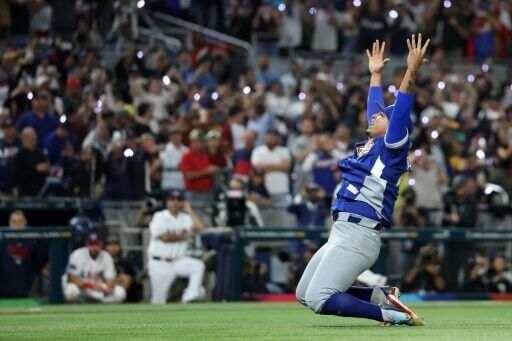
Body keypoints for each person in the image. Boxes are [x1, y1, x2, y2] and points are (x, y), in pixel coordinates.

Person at [296, 36, 430, 326]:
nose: (374, 115)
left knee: (321, 298)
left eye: (382, 116)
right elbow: (375, 107)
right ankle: (381, 295)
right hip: (342, 230)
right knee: (305, 294)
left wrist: (411, 72)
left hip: (360, 234)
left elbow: (401, 108)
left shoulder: (393, 146)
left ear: (394, 126)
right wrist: (376, 74)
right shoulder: (374, 142)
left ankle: (393, 316)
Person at [147, 190, 205, 304]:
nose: (175, 202)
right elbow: (165, 238)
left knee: (198, 266)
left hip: (178, 261)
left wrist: (189, 210)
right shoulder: (159, 216)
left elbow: (200, 228)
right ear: (167, 202)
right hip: (160, 263)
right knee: (158, 301)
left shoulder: (186, 218)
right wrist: (185, 235)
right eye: (172, 199)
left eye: (178, 200)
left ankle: (190, 296)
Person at [62, 230, 126, 303]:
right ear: (87, 244)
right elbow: (72, 278)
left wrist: (109, 288)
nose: (94, 247)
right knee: (71, 291)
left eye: (96, 244)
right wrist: (91, 286)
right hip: (82, 288)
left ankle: (101, 307)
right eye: (91, 244)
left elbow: (110, 279)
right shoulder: (77, 255)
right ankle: (77, 308)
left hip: (99, 288)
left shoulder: (106, 256)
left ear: (101, 244)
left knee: (120, 293)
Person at [0, 210, 47, 298]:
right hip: (4, 287)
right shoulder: (2, 241)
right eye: (14, 221)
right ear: (9, 223)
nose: (17, 224)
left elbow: (40, 262)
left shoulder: (35, 240)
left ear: (25, 222)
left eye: (20, 221)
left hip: (28, 286)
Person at [250, 129, 291, 207]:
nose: (270, 138)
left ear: (278, 138)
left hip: (281, 190)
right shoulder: (258, 151)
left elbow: (286, 167)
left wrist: (265, 166)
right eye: (268, 136)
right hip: (262, 191)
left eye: (273, 136)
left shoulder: (284, 151)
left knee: (282, 217)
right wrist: (279, 166)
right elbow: (257, 167)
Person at [13, 127, 50, 197]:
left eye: (35, 138)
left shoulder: (40, 154)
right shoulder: (19, 156)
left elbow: (46, 172)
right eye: (31, 139)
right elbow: (18, 176)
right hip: (25, 192)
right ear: (24, 139)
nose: (34, 141)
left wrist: (47, 169)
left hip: (41, 192)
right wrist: (35, 169)